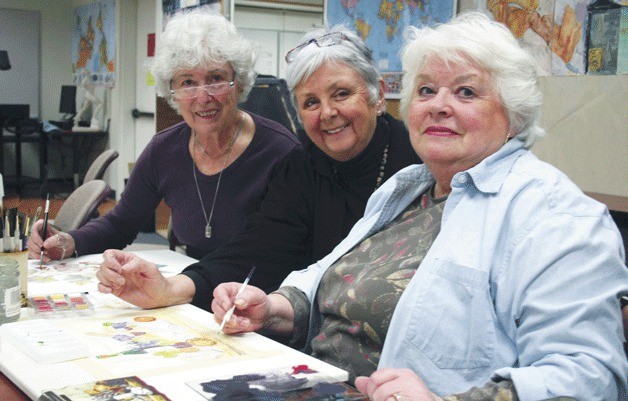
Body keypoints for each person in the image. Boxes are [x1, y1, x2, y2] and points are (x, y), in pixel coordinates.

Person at [211, 13, 628, 401]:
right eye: (427, 90)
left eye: (466, 91)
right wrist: (273, 309)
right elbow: (328, 278)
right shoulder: (409, 189)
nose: (438, 105)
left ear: (514, 115)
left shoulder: (555, 215)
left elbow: (591, 377)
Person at [95, 26, 421, 311]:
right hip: (317, 328)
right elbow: (259, 248)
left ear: (377, 96)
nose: (327, 112)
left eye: (342, 94)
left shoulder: (421, 159)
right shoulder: (302, 164)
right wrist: (169, 289)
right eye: (310, 102)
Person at [27, 9, 300, 261]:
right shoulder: (164, 149)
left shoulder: (280, 152)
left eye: (216, 78)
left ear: (238, 83)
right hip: (188, 293)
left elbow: (281, 253)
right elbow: (120, 223)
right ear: (172, 92)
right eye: (188, 82)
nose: (202, 97)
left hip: (256, 297)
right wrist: (67, 241)